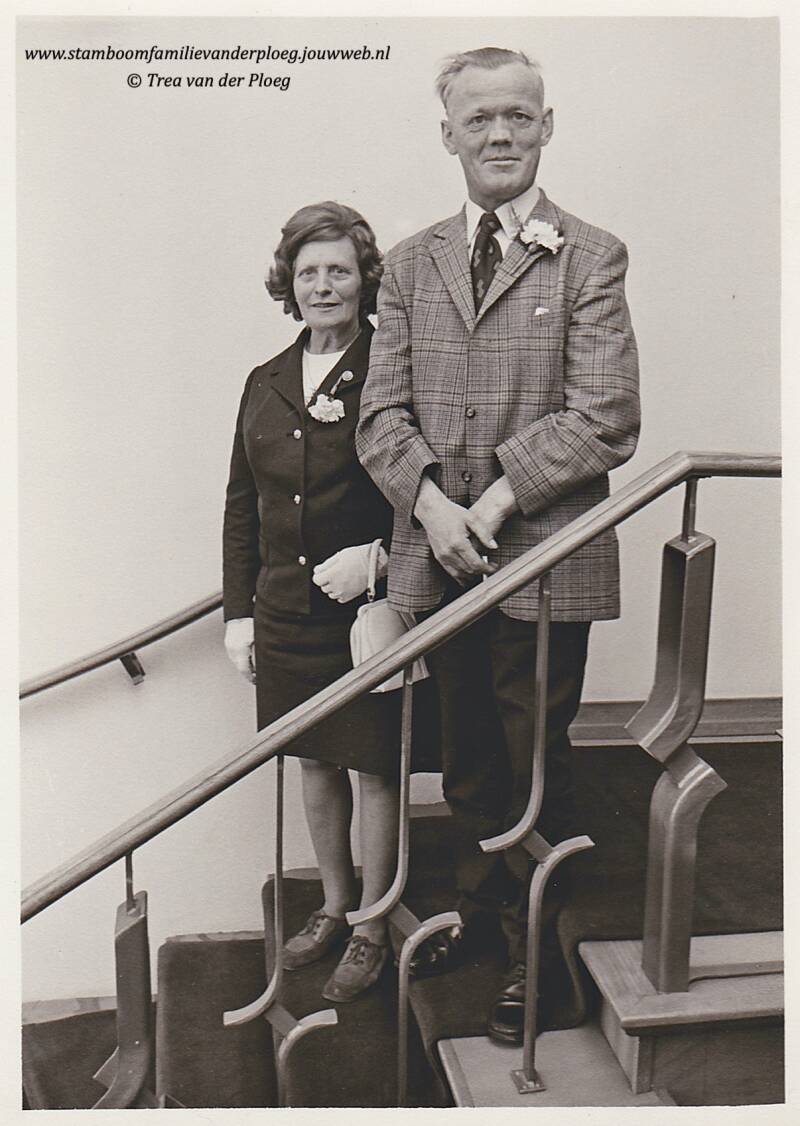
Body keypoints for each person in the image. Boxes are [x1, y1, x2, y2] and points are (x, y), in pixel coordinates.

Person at [357, 48, 640, 1043]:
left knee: (531, 761)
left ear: (546, 126)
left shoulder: (591, 255)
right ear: (449, 136)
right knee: (469, 758)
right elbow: (378, 416)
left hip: (545, 558)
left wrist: (497, 502)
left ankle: (540, 955)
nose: (500, 134)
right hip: (440, 558)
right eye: (478, 119)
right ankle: (484, 910)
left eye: (518, 115)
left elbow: (607, 414)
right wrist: (435, 509)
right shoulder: (408, 263)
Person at [223, 201, 399, 1003]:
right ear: (288, 284)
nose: (323, 285)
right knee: (315, 759)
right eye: (308, 272)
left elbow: (432, 483)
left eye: (339, 270)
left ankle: (372, 927)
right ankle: (333, 904)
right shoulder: (264, 381)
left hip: (363, 613)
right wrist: (238, 614)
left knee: (374, 767)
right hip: (285, 613)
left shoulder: (393, 368)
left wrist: (380, 558)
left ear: (365, 279)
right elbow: (241, 505)